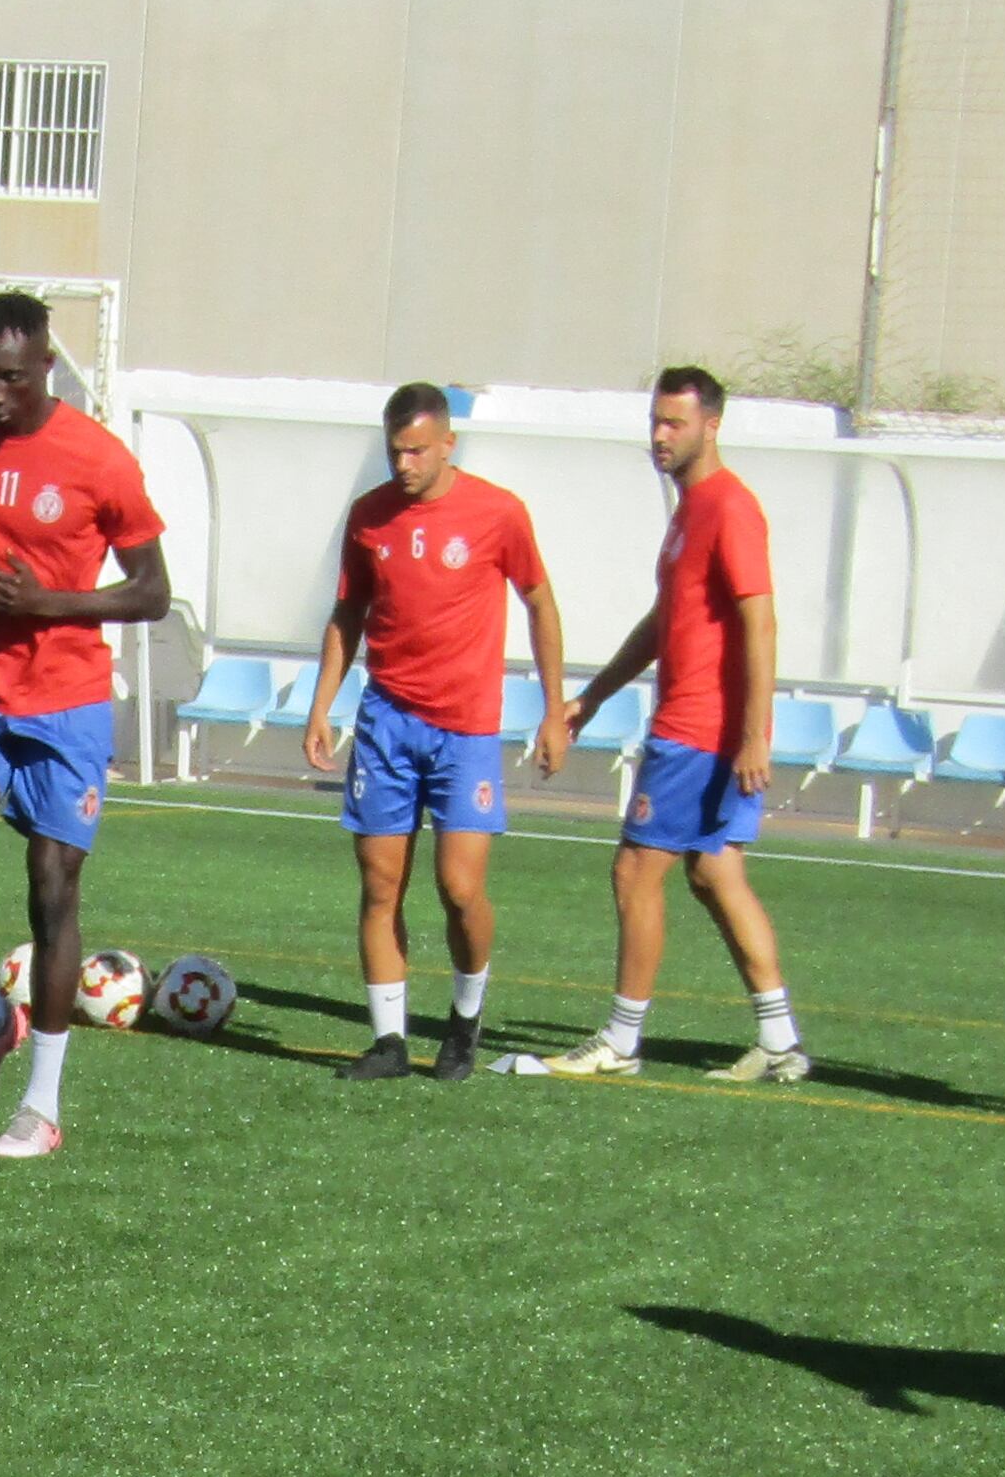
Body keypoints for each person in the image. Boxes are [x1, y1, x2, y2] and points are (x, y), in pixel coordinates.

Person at [0, 289, 173, 1156]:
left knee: (52, 894)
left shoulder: (100, 461)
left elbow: (153, 592)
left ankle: (42, 1108)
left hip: (68, 706)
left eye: (13, 377)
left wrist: (50, 601)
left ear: (47, 363)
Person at [545, 367, 811, 1084]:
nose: (660, 436)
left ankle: (621, 1042)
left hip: (701, 730)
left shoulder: (729, 507)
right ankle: (781, 1042)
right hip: (700, 727)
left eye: (675, 424)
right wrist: (594, 695)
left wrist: (756, 732)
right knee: (716, 872)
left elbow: (761, 621)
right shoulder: (690, 510)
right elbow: (668, 623)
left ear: (711, 425)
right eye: (656, 421)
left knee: (635, 869)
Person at [300, 384, 564, 1079]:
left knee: (458, 887)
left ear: (449, 443)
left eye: (417, 449)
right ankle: (389, 1041)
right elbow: (348, 613)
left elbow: (539, 602)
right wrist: (323, 704)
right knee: (380, 884)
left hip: (466, 729)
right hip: (386, 722)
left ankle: (465, 1021)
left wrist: (554, 707)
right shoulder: (369, 518)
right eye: (395, 450)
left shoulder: (497, 513)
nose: (405, 463)